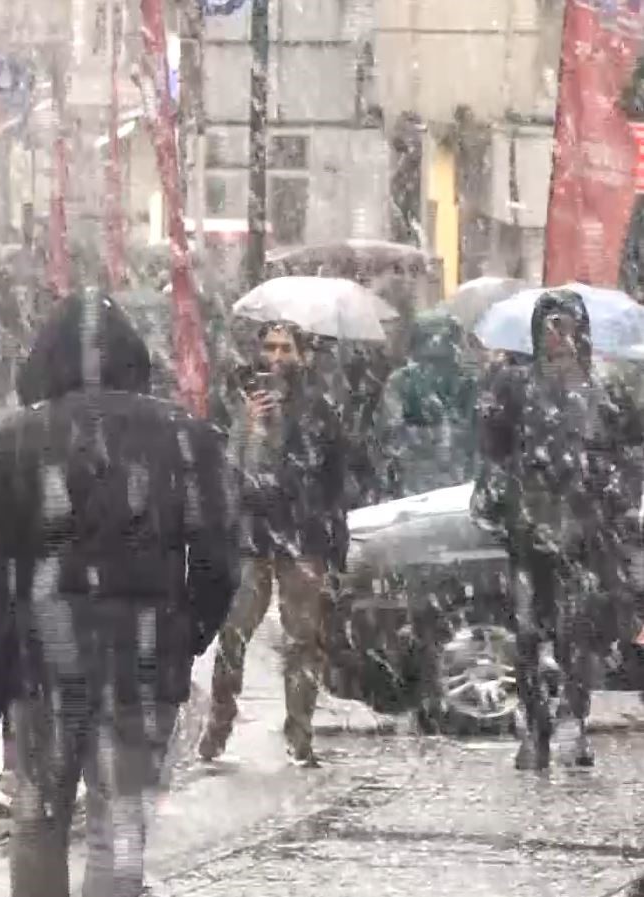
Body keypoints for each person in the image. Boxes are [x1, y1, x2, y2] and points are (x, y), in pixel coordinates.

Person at [0, 292, 238, 897]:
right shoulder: (187, 439)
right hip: (143, 662)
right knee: (120, 825)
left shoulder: (16, 440)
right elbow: (217, 560)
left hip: (43, 663)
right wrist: (184, 636)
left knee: (38, 817)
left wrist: (1, 646)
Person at [473, 289, 644, 769]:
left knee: (579, 633)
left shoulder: (607, 388)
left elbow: (633, 451)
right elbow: (491, 452)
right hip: (530, 530)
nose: (558, 336)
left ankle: (574, 718)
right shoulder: (513, 386)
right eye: (549, 326)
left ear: (580, 330)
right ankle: (535, 726)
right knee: (528, 631)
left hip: (587, 529)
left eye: (566, 325)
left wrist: (610, 486)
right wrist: (506, 491)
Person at [199, 320, 349, 768]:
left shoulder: (318, 407)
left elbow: (332, 476)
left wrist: (332, 544)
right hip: (251, 537)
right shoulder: (237, 400)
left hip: (302, 538)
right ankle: (221, 716)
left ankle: (299, 731)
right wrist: (249, 430)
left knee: (303, 639)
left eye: (286, 348)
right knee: (232, 633)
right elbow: (223, 473)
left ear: (302, 354)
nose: (277, 357)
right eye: (270, 347)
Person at [374, 313, 480, 499]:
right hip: (430, 481)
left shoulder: (467, 381)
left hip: (440, 481)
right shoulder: (402, 381)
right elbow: (392, 433)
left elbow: (391, 433)